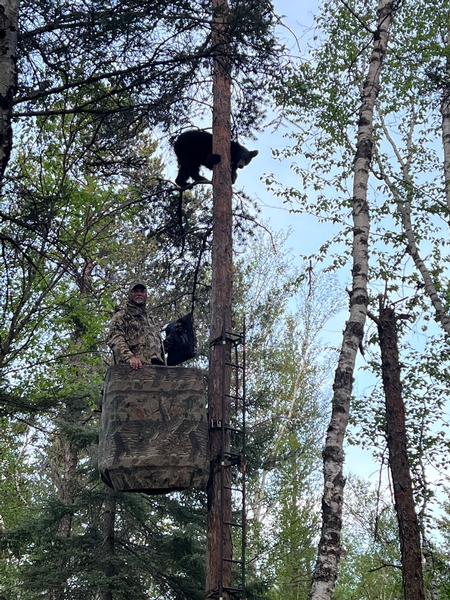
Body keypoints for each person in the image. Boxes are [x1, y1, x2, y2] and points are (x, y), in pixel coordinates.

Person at [108, 281, 166, 369]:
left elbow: (158, 348)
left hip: (157, 370)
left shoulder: (151, 319)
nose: (139, 294)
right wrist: (130, 357)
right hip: (133, 370)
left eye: (142, 291)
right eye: (135, 291)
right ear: (130, 294)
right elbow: (115, 338)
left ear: (146, 294)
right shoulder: (122, 316)